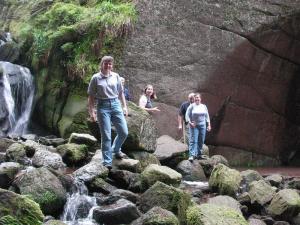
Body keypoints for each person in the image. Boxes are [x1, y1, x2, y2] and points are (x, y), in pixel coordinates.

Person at [88, 56, 128, 169]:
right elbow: (90, 97)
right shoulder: (95, 78)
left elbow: (121, 93)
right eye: (106, 63)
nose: (108, 65)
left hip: (116, 105)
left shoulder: (116, 76)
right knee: (106, 135)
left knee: (124, 132)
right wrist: (92, 112)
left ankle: (116, 149)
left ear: (112, 65)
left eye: (110, 64)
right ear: (102, 64)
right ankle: (107, 161)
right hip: (103, 106)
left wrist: (125, 106)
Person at [185, 93, 211, 161]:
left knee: (201, 140)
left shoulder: (203, 106)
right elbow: (187, 114)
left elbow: (207, 115)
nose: (197, 99)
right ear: (194, 99)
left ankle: (199, 154)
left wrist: (209, 125)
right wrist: (189, 122)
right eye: (196, 98)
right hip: (194, 125)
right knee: (194, 140)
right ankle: (192, 155)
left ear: (200, 99)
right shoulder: (192, 106)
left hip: (203, 125)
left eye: (198, 97)